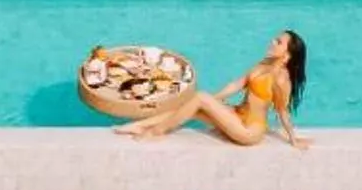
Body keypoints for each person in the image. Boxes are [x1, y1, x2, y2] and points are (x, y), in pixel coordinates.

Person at [116, 30, 307, 148]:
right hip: (237, 116)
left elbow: (283, 112)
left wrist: (293, 139)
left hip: (249, 130)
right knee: (194, 106)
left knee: (199, 98)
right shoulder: (263, 64)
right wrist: (213, 100)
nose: (273, 42)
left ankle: (155, 132)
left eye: (279, 42)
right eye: (275, 39)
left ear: (287, 55)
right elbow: (237, 84)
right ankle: (140, 125)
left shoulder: (282, 79)